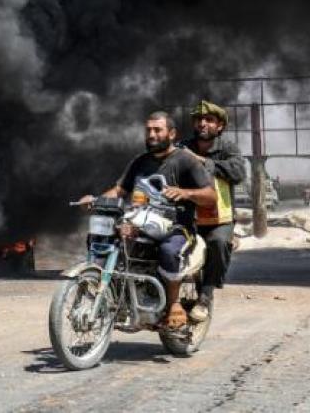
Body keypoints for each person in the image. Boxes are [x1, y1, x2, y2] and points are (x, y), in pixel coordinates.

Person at [83, 111, 217, 329]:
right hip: (140, 224)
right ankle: (112, 293)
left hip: (176, 228)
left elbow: (210, 196)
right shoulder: (140, 162)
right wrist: (96, 200)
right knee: (102, 235)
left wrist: (185, 193)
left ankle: (173, 303)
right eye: (148, 130)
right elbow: (119, 190)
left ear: (172, 134)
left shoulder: (186, 160)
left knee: (168, 250)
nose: (152, 134)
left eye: (157, 130)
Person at [178, 100, 246, 323]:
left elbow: (237, 172)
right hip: (188, 217)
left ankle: (205, 297)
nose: (202, 124)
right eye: (198, 120)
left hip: (220, 218)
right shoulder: (182, 147)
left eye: (209, 120)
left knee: (218, 244)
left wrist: (202, 162)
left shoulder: (228, 148)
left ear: (220, 126)